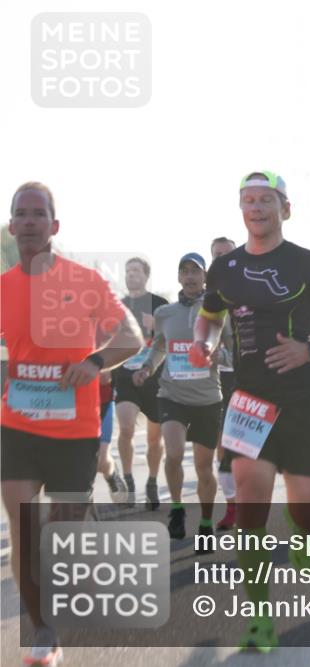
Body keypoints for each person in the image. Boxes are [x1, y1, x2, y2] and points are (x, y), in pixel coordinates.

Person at [189, 171, 310, 652]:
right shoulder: (225, 268)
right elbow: (210, 318)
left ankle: (305, 535)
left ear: (285, 208)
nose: (256, 208)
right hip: (249, 399)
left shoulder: (308, 264)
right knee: (250, 504)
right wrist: (203, 344)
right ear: (241, 209)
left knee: (309, 511)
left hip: (302, 397)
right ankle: (259, 617)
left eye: (266, 200)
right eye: (248, 200)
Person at [2, 182, 144, 667]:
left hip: (74, 430)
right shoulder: (3, 287)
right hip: (17, 426)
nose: (28, 221)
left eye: (38, 214)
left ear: (53, 226)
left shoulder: (85, 281)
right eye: (20, 214)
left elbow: (132, 337)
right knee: (24, 534)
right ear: (11, 225)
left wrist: (96, 361)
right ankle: (43, 631)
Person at [133, 252, 230, 552]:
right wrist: (148, 367)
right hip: (171, 394)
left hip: (207, 398)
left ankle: (204, 524)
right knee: (173, 454)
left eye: (195, 272)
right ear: (178, 277)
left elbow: (232, 351)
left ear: (204, 277)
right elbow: (160, 345)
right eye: (184, 271)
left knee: (204, 467)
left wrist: (219, 356)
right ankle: (176, 509)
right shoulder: (165, 313)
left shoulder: (219, 311)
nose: (189, 276)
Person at [113, 256, 167, 509]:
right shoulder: (116, 306)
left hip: (155, 379)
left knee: (155, 440)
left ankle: (152, 482)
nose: (131, 274)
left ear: (146, 275)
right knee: (125, 429)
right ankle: (128, 479)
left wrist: (155, 325)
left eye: (136, 270)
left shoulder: (160, 305)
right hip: (124, 375)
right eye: (128, 270)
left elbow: (174, 337)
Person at [208, 236, 239, 531]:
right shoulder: (208, 294)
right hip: (217, 379)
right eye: (216, 255)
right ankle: (233, 505)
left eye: (226, 254)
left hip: (253, 378)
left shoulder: (255, 288)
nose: (221, 259)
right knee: (223, 444)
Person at [96, 369, 128, 500]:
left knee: (102, 462)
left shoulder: (100, 347)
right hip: (71, 405)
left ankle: (111, 474)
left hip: (102, 403)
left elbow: (105, 378)